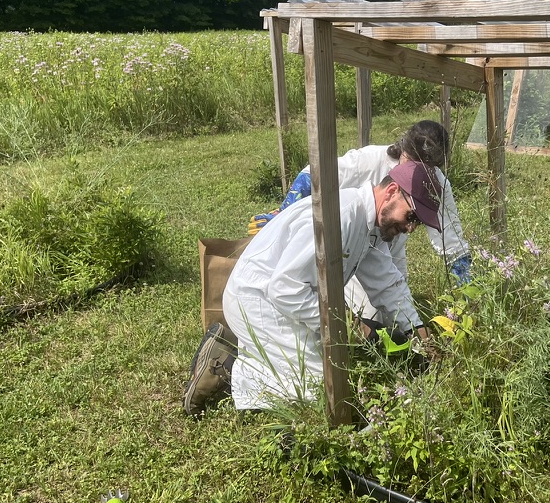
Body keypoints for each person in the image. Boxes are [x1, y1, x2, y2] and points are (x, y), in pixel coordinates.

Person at [183, 161, 442, 416]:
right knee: (319, 389)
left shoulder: (371, 222)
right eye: (411, 216)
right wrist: (349, 324)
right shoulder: (341, 215)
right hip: (259, 300)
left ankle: (247, 354)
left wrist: (417, 331)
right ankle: (226, 363)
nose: (410, 228)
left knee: (336, 371)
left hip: (285, 302)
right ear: (392, 191)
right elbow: (285, 288)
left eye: (416, 222)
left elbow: (388, 283)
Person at [248, 120, 472, 291]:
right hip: (349, 253)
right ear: (403, 150)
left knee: (396, 310)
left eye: (426, 168)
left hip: (390, 252)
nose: (416, 173)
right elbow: (313, 175)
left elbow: (451, 241)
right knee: (365, 316)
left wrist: (469, 291)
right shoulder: (371, 160)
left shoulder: (437, 184)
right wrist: (283, 214)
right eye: (410, 163)